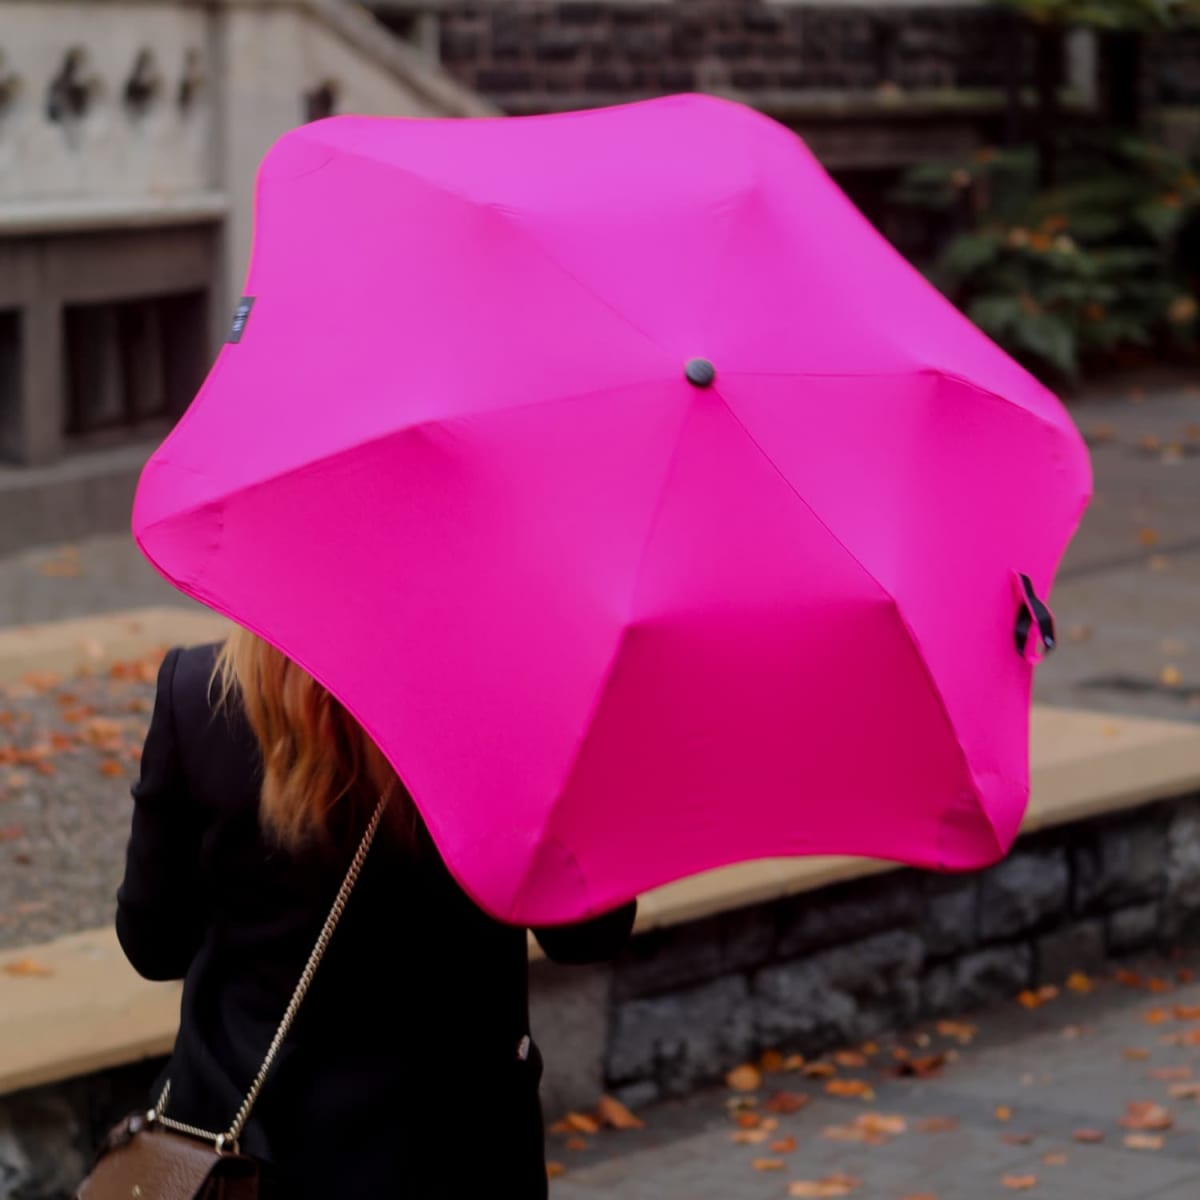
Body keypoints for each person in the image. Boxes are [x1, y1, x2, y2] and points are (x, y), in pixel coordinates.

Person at [115, 631, 637, 1198]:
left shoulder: (196, 691)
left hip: (252, 1149)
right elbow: (588, 936)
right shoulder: (509, 699)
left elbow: (154, 946)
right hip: (459, 1145)